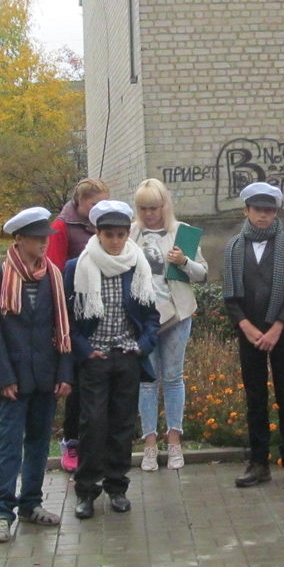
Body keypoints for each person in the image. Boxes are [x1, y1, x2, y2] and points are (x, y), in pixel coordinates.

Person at [0, 207, 73, 543]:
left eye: (45, 238)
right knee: (9, 445)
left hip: (46, 376)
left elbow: (62, 328)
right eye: (36, 239)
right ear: (18, 240)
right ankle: (1, 513)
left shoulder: (53, 276)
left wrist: (65, 372)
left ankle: (31, 504)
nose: (43, 244)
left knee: (37, 443)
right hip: (15, 379)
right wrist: (4, 377)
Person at [67, 199, 159, 519]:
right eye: (109, 234)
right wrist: (84, 351)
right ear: (97, 233)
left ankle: (117, 487)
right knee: (92, 423)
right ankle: (87, 490)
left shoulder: (137, 266)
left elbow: (150, 315)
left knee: (122, 424)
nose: (116, 241)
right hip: (95, 357)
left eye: (121, 234)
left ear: (128, 235)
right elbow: (68, 320)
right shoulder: (78, 266)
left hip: (126, 356)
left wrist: (143, 345)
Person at [222, 182, 284, 489]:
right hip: (249, 332)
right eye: (258, 210)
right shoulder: (233, 247)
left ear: (276, 213)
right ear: (247, 211)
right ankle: (258, 463)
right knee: (255, 398)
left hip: (280, 332)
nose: (263, 216)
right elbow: (230, 295)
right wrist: (246, 326)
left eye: (269, 211)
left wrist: (277, 327)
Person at [131, 179, 208, 471]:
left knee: (174, 378)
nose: (149, 214)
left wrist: (185, 261)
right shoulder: (130, 234)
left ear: (165, 206)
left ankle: (174, 439)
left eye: (154, 207)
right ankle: (149, 443)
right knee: (147, 381)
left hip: (177, 315)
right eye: (143, 208)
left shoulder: (182, 232)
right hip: (143, 319)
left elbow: (202, 274)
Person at [48, 178, 110, 472]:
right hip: (74, 314)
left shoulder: (102, 226)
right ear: (80, 203)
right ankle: (71, 442)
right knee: (75, 383)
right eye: (93, 204)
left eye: (103, 203)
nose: (99, 209)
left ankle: (100, 444)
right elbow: (55, 269)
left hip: (103, 314)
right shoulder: (62, 227)